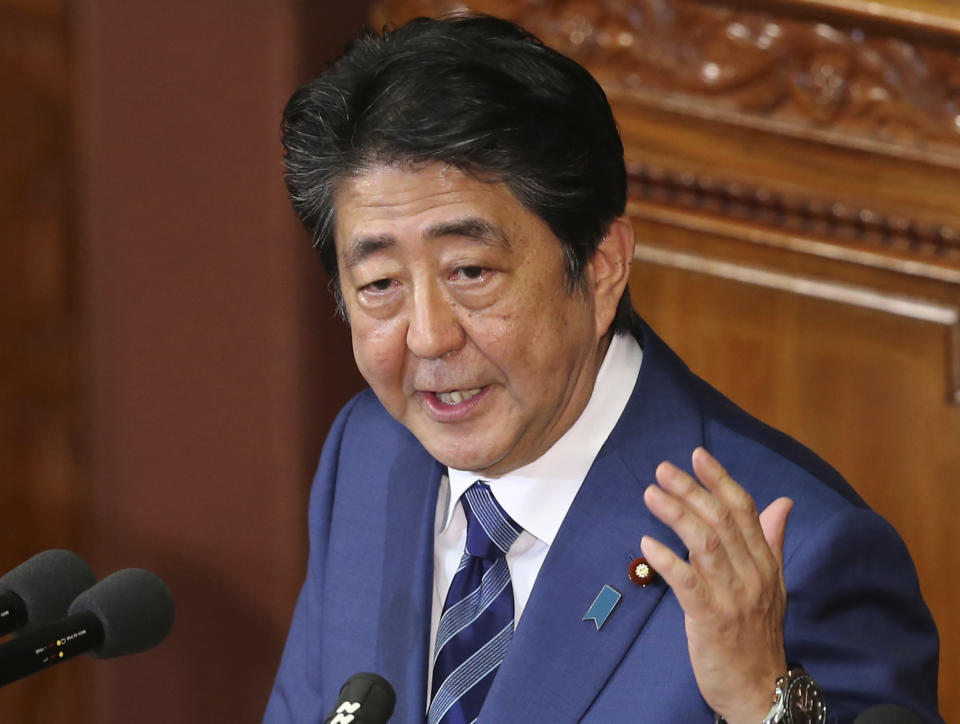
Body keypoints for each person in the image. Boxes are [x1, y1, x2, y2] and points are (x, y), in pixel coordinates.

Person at [264, 13, 942, 724]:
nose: (428, 339)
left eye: (470, 270)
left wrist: (760, 704)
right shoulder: (371, 454)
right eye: (379, 287)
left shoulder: (799, 555)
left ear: (602, 266)